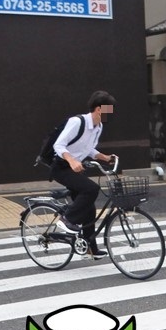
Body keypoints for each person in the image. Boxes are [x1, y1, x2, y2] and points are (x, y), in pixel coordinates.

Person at [50, 90, 117, 259]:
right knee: (91, 189)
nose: (111, 113)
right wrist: (72, 161)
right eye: (109, 109)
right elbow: (59, 145)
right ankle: (67, 219)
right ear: (99, 109)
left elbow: (88, 149)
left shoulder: (98, 127)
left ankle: (90, 248)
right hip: (61, 167)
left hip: (75, 168)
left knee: (89, 208)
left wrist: (104, 157)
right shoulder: (77, 122)